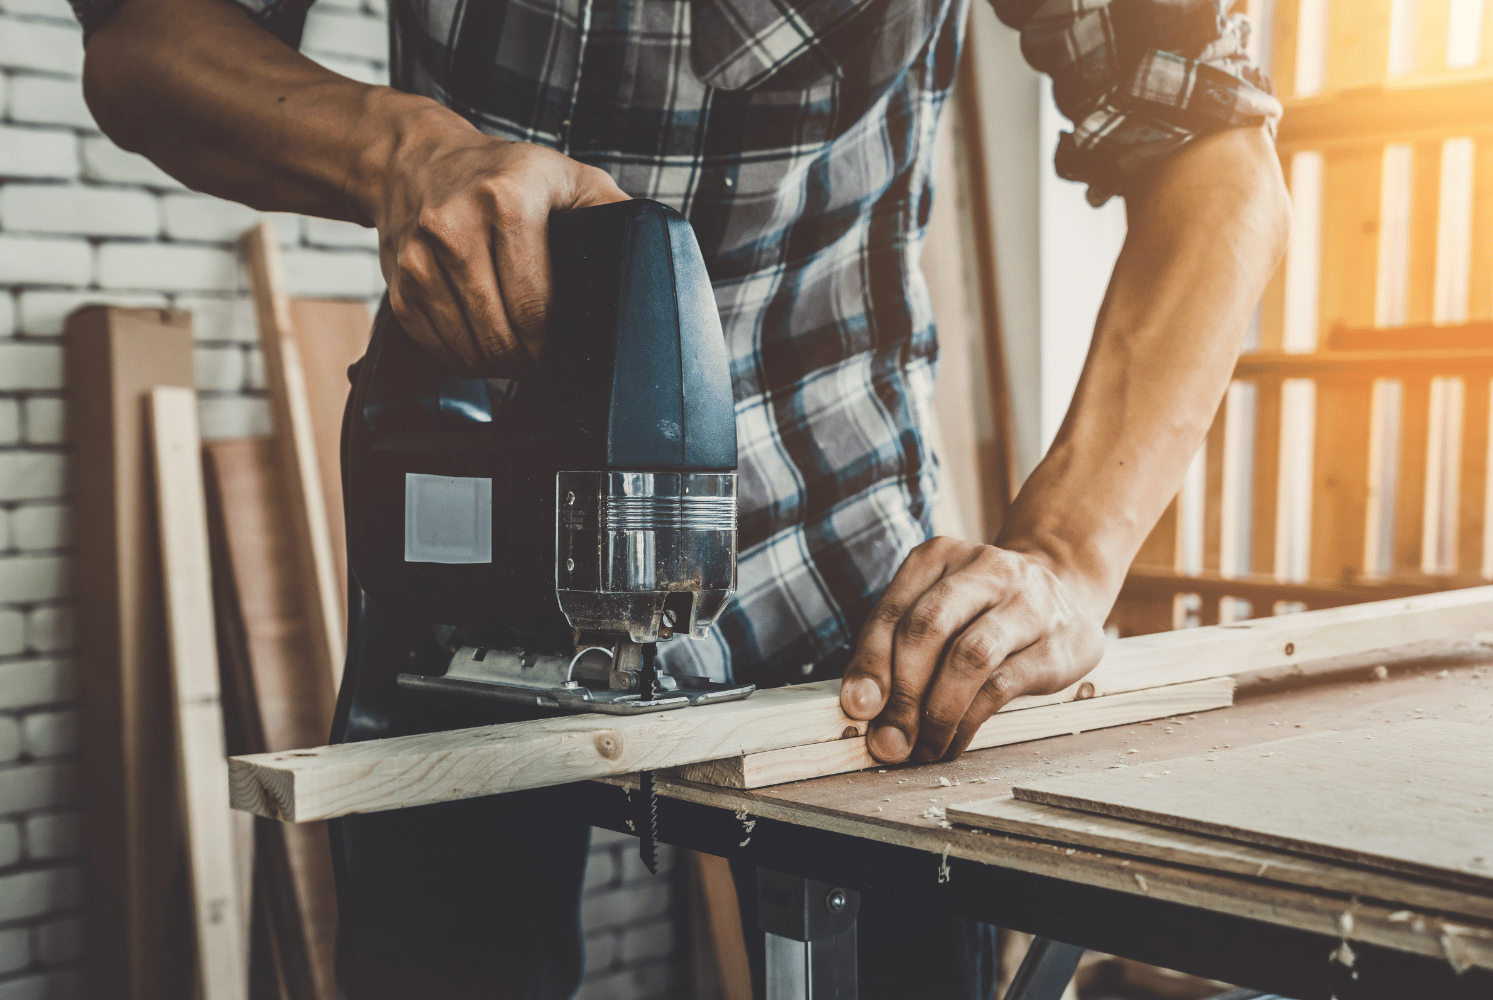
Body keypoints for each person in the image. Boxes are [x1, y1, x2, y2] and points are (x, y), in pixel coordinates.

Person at [76, 0, 1289, 996]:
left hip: (834, 516)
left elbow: (1219, 157)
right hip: (483, 527)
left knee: (901, 963)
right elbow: (144, 44)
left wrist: (1069, 548)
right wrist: (407, 152)